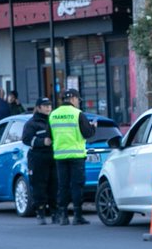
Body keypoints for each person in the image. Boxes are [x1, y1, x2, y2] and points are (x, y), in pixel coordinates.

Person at [49, 88, 96, 225]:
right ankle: (77, 215)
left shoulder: (53, 115)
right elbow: (87, 133)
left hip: (60, 156)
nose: (78, 102)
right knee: (77, 185)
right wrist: (93, 127)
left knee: (62, 186)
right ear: (73, 99)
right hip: (76, 156)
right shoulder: (78, 114)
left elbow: (49, 135)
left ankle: (63, 216)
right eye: (78, 100)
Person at [21, 97, 58, 224]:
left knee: (54, 186)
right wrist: (42, 142)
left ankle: (55, 213)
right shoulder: (32, 123)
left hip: (53, 157)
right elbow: (26, 139)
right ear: (38, 108)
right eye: (45, 105)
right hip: (38, 158)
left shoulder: (53, 120)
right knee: (39, 187)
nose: (48, 108)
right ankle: (40, 213)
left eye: (50, 105)